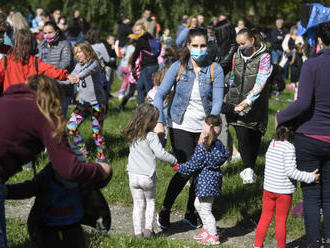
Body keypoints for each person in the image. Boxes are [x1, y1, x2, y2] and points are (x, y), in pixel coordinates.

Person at [0, 74, 111, 248]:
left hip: (71, 229)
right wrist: (101, 170)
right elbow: (66, 171)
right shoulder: (42, 111)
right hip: (48, 229)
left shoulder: (7, 102)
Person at [154, 28, 225, 229]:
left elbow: (218, 102)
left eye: (203, 46)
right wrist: (160, 120)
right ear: (188, 46)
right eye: (195, 46)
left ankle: (190, 212)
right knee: (186, 169)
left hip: (205, 127)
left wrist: (210, 126)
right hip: (180, 124)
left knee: (200, 170)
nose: (199, 50)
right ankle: (166, 209)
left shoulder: (215, 69)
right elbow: (159, 96)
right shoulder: (178, 67)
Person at [276, 20, 330, 248]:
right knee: (329, 196)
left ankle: (314, 241)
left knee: (310, 196)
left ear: (319, 40)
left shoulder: (312, 66)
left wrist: (280, 116)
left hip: (310, 137)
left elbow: (302, 104)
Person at [5, 144, 112, 248]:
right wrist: (8, 191)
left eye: (76, 173)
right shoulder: (46, 178)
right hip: (48, 228)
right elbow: (30, 188)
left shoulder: (82, 180)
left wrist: (106, 170)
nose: (71, 178)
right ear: (55, 168)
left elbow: (101, 180)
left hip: (74, 227)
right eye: (67, 174)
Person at [253, 126, 319, 248]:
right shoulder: (289, 147)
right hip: (283, 192)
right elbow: (291, 172)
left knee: (265, 217)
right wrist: (310, 177)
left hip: (268, 189)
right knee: (281, 221)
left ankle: (257, 245)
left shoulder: (272, 144)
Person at [223, 28, 272, 184]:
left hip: (256, 104)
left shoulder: (264, 57)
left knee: (254, 134)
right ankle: (248, 169)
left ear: (252, 41)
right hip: (236, 101)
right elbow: (232, 74)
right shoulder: (237, 54)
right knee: (242, 133)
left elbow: (261, 81)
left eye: (243, 43)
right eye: (238, 44)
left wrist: (248, 101)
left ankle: (250, 166)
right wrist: (228, 90)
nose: (241, 46)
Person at [122, 103, 177, 238]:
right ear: (150, 121)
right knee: (150, 201)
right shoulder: (151, 136)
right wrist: (174, 161)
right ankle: (148, 229)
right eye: (156, 120)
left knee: (138, 204)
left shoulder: (132, 134)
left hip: (133, 175)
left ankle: (137, 233)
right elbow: (160, 153)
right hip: (147, 175)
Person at [176, 115, 229, 245]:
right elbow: (225, 155)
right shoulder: (219, 145)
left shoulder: (203, 148)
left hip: (205, 182)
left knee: (205, 209)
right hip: (214, 180)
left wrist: (178, 167)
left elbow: (193, 165)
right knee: (197, 204)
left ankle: (213, 235)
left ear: (204, 128)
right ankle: (206, 229)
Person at [66, 41, 107, 162]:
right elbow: (70, 77)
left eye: (79, 51)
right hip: (83, 104)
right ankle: (83, 151)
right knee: (71, 127)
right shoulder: (78, 65)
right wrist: (57, 81)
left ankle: (101, 158)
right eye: (75, 53)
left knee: (97, 132)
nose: (77, 54)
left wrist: (78, 77)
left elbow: (86, 72)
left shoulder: (94, 63)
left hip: (96, 104)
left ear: (87, 51)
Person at [0, 29, 74, 92]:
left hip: (10, 98)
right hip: (29, 99)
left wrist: (66, 75)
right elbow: (50, 70)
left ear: (15, 43)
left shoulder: (6, 61)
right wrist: (66, 75)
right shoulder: (34, 61)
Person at [38, 21, 74, 116]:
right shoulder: (41, 46)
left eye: (50, 32)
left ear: (57, 31)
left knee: (59, 117)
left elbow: (66, 62)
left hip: (61, 86)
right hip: (45, 86)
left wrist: (49, 71)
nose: (47, 35)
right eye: (45, 33)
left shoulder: (64, 44)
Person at [131, 23, 159, 105]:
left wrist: (132, 65)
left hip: (147, 66)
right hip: (153, 64)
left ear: (143, 29)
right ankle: (141, 106)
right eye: (135, 30)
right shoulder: (152, 38)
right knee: (139, 86)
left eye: (138, 30)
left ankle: (150, 108)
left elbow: (136, 54)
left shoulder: (141, 40)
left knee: (148, 88)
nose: (136, 32)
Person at [117, 34, 136, 99]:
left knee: (125, 80)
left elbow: (122, 52)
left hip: (123, 65)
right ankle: (129, 95)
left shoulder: (126, 46)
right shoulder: (134, 48)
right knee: (130, 80)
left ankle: (121, 93)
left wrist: (124, 55)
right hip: (128, 66)